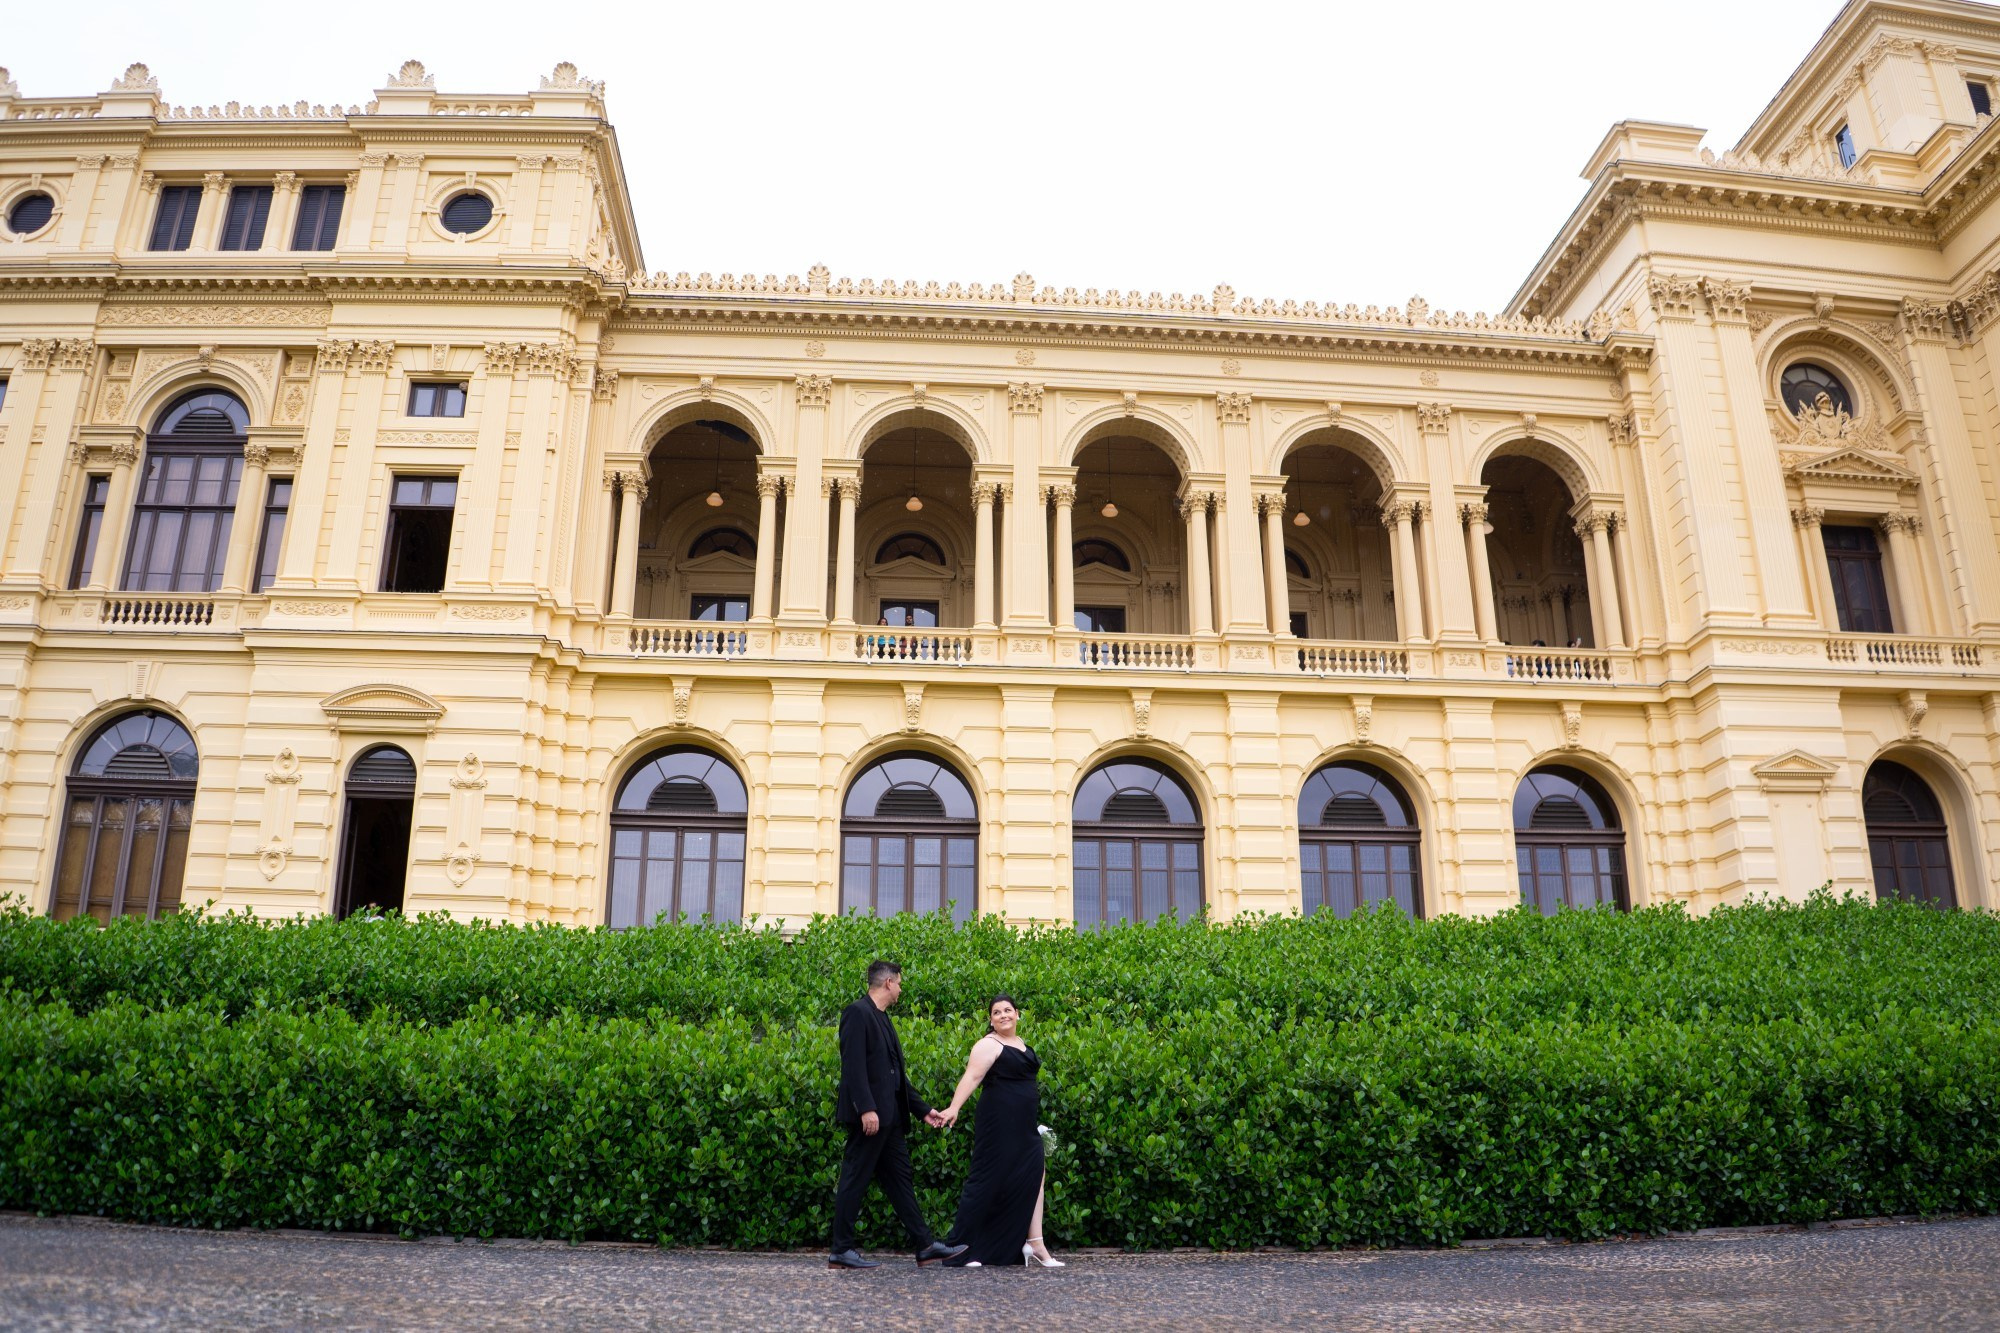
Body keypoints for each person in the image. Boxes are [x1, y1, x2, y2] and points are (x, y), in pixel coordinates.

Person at [829, 960, 968, 1270]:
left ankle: (925, 1246)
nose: (902, 989)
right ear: (888, 983)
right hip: (872, 1118)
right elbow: (852, 1067)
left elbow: (894, 1076)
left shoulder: (883, 1018)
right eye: (900, 983)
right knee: (854, 1179)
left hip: (889, 1121)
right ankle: (841, 1250)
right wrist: (866, 1108)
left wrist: (922, 1110)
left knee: (900, 1181)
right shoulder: (858, 1013)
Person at [937, 995, 1063, 1268]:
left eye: (1008, 1010)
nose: (1003, 1015)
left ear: (1018, 1014)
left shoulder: (1021, 1044)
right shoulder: (987, 1045)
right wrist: (954, 1107)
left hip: (1024, 1125)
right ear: (991, 1020)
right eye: (997, 1012)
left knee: (1034, 1174)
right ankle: (966, 1249)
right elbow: (971, 1077)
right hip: (997, 1123)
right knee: (986, 1180)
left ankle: (1035, 1243)